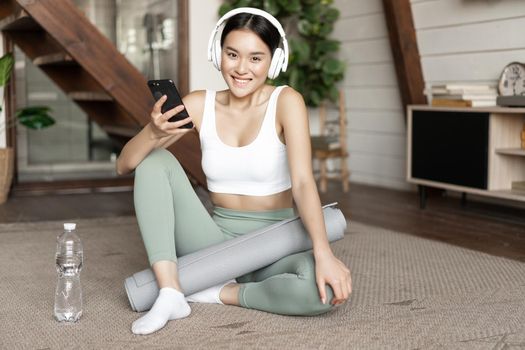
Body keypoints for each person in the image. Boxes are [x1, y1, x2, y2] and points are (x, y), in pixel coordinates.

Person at [116, 7, 352, 336]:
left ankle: (212, 291)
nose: (242, 69)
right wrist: (153, 132)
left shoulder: (287, 102)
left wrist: (323, 253)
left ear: (275, 61)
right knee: (154, 160)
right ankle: (171, 291)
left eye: (256, 58)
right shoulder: (199, 104)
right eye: (232, 54)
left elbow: (302, 182)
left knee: (321, 292)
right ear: (218, 54)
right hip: (215, 245)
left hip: (275, 244)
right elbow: (124, 163)